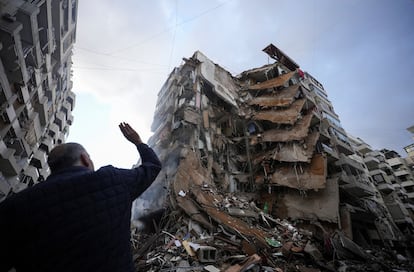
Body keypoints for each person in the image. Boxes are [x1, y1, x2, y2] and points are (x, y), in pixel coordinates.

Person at [0, 122, 162, 272]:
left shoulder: (16, 207)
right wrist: (138, 142)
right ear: (85, 159)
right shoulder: (112, 181)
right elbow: (152, 166)